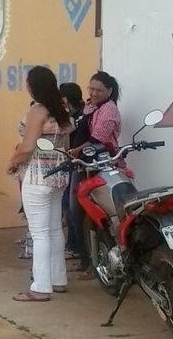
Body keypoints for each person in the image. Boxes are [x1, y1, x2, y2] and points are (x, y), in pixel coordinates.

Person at [9, 66, 73, 301]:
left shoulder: (38, 110)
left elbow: (27, 147)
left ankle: (40, 287)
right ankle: (58, 279)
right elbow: (64, 144)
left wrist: (12, 163)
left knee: (39, 233)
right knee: (55, 228)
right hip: (58, 174)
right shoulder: (62, 110)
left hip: (36, 175)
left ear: (33, 86)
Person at [70, 71, 123, 276]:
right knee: (79, 214)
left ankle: (96, 262)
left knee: (96, 216)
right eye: (91, 88)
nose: (93, 92)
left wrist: (76, 151)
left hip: (102, 167)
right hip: (84, 166)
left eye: (98, 90)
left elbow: (98, 139)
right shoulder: (92, 107)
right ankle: (89, 260)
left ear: (109, 91)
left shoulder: (109, 110)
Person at [59, 82, 85, 259]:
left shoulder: (80, 116)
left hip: (78, 165)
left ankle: (76, 247)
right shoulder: (75, 114)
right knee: (68, 207)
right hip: (72, 164)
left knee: (72, 208)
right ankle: (73, 244)